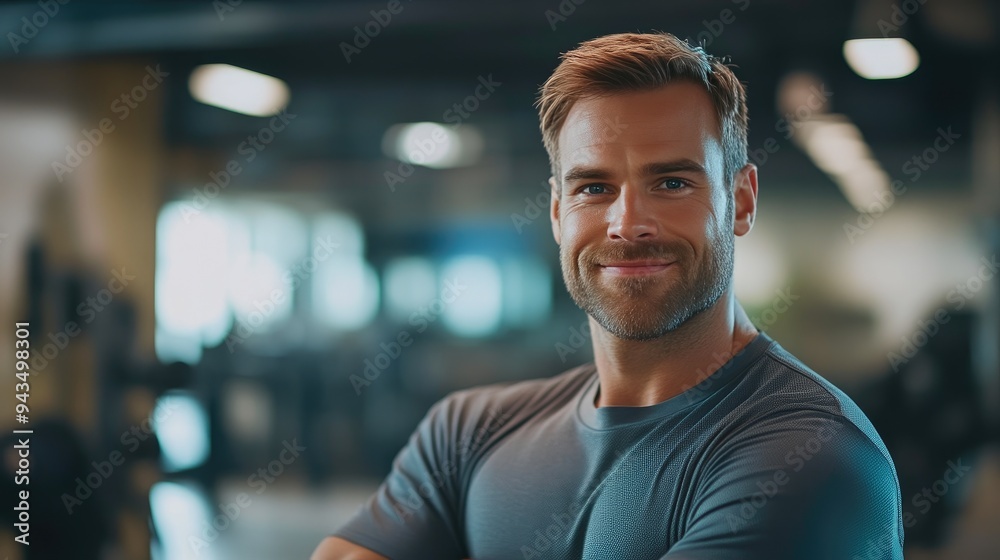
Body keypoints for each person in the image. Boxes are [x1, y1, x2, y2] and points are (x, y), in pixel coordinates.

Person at [312, 32, 904, 560]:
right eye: (594, 187)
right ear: (555, 211)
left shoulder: (808, 452)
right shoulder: (468, 433)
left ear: (741, 200)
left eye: (671, 182)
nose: (627, 223)